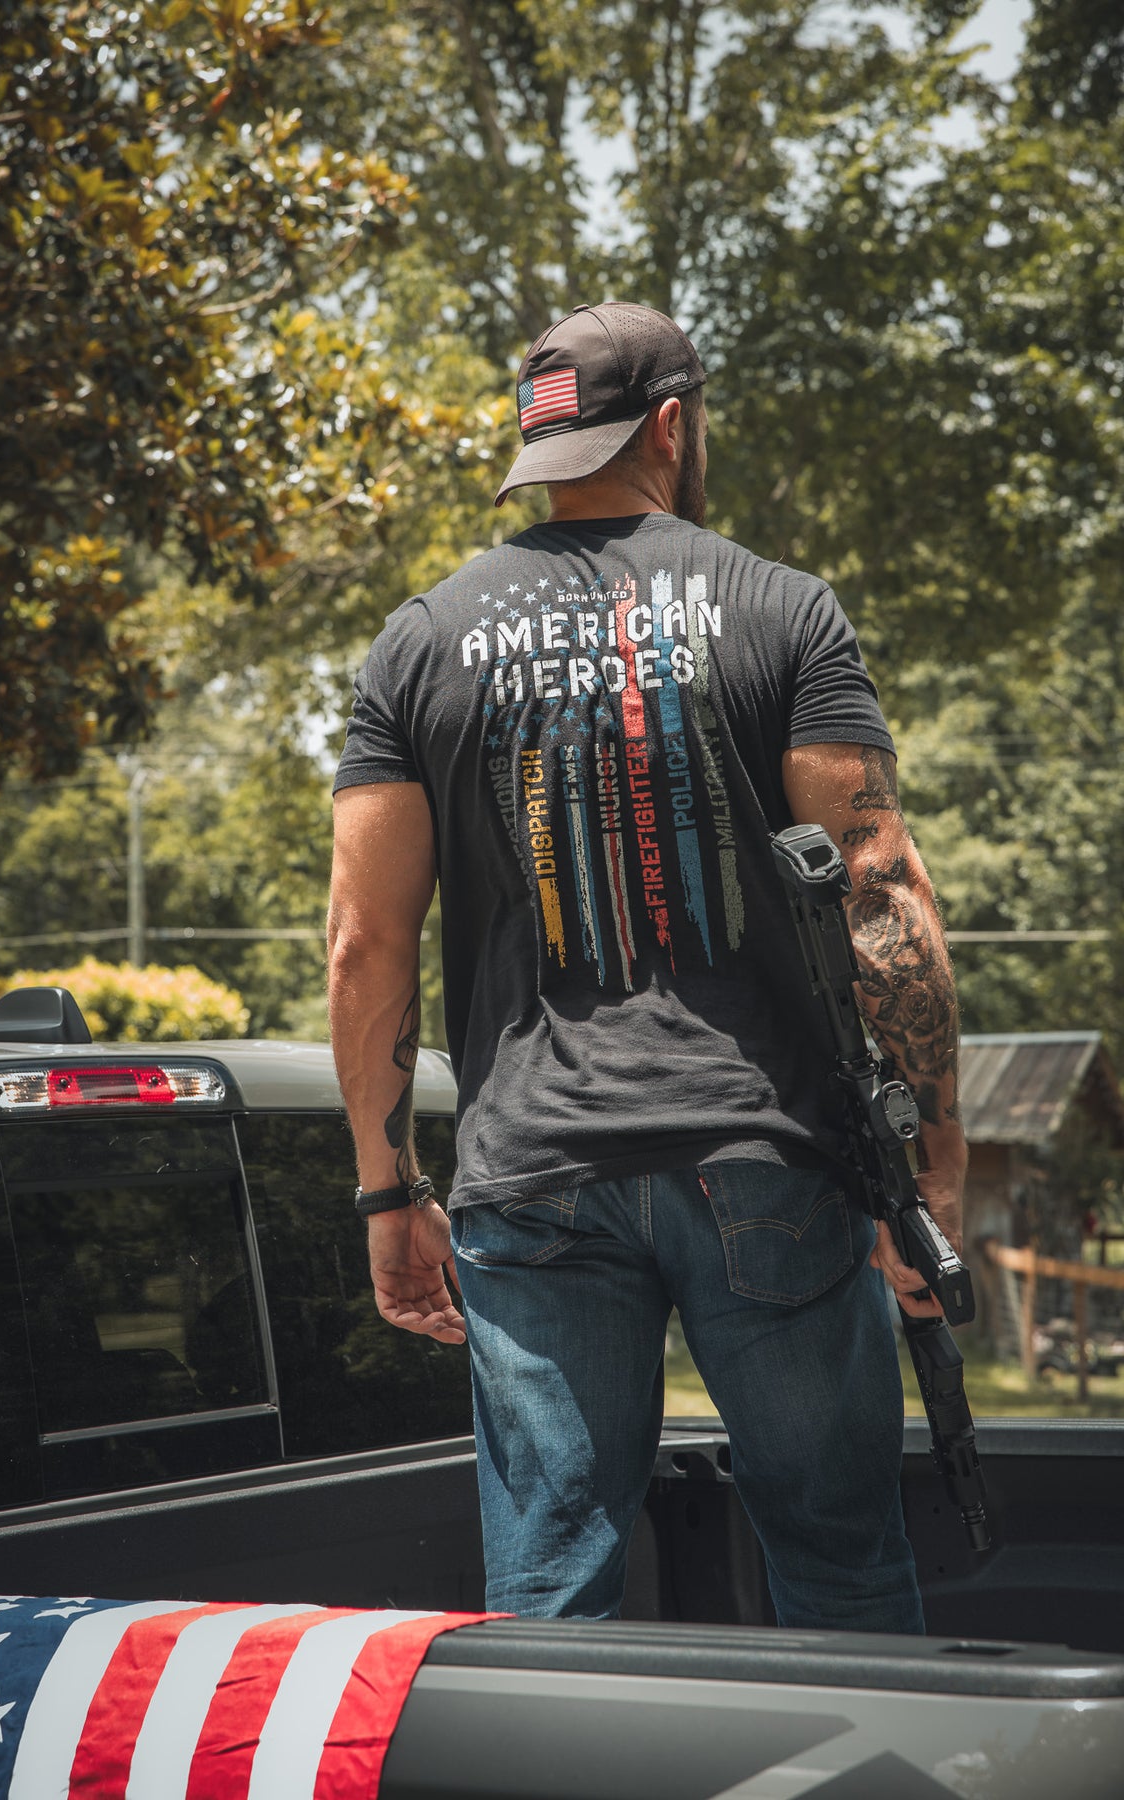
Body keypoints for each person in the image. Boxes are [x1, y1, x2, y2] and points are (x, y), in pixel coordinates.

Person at [327, 301, 965, 1631]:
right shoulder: (785, 610)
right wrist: (930, 1181)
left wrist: (389, 1193)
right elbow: (881, 892)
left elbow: (363, 940)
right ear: (672, 423)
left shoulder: (421, 641)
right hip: (768, 1159)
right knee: (844, 1565)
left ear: (537, 451)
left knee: (551, 1596)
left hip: (536, 1176)